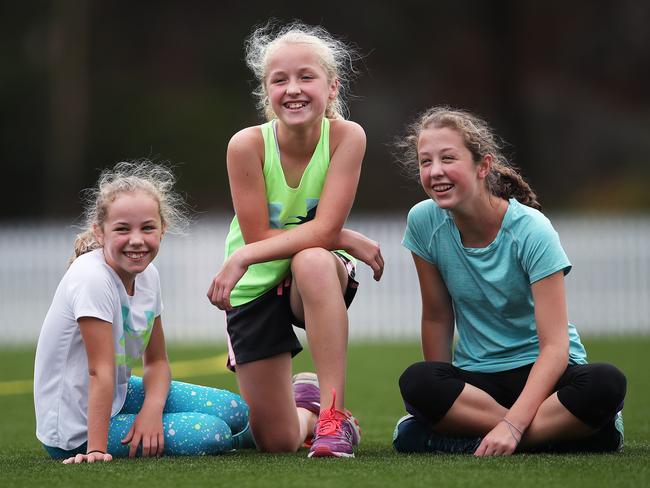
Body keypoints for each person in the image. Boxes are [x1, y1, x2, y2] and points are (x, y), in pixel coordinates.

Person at [392, 107, 626, 456]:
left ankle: (481, 440)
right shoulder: (424, 222)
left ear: (482, 166)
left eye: (448, 158)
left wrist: (512, 425)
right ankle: (564, 435)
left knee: (606, 383)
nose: (435, 171)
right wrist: (437, 397)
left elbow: (555, 347)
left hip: (546, 377)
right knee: (418, 381)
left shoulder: (531, 230)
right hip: (481, 382)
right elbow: (438, 317)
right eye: (426, 162)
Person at [207, 21, 383, 459]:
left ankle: (333, 417)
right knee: (278, 441)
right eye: (279, 80)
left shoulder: (347, 137)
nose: (294, 89)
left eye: (307, 76)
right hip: (257, 282)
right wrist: (343, 234)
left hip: (311, 275)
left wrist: (332, 236)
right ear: (265, 91)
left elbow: (320, 236)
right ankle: (306, 410)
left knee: (313, 259)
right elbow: (259, 236)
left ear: (332, 86)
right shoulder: (246, 145)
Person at [34, 161, 251, 464]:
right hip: (78, 430)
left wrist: (151, 410)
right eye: (122, 229)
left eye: (147, 227)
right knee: (213, 432)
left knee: (235, 410)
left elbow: (158, 362)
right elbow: (100, 371)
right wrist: (96, 450)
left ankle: (295, 421)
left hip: (117, 399)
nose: (136, 240)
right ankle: (282, 428)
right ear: (100, 231)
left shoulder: (148, 276)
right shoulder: (92, 279)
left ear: (163, 229)